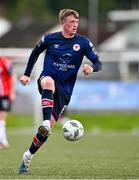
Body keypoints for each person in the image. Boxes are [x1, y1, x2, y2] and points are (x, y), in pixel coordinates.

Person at [18, 9, 102, 174]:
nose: (75, 25)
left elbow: (98, 62)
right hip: (47, 79)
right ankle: (45, 122)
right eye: (71, 22)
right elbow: (35, 53)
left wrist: (91, 68)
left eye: (77, 22)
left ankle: (27, 156)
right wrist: (27, 74)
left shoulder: (83, 42)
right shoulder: (49, 38)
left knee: (44, 135)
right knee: (48, 82)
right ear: (63, 22)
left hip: (65, 90)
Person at [0, 56, 16, 149]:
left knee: (1, 119)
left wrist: (12, 92)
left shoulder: (4, 62)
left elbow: (13, 75)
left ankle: (3, 142)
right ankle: (4, 142)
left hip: (4, 94)